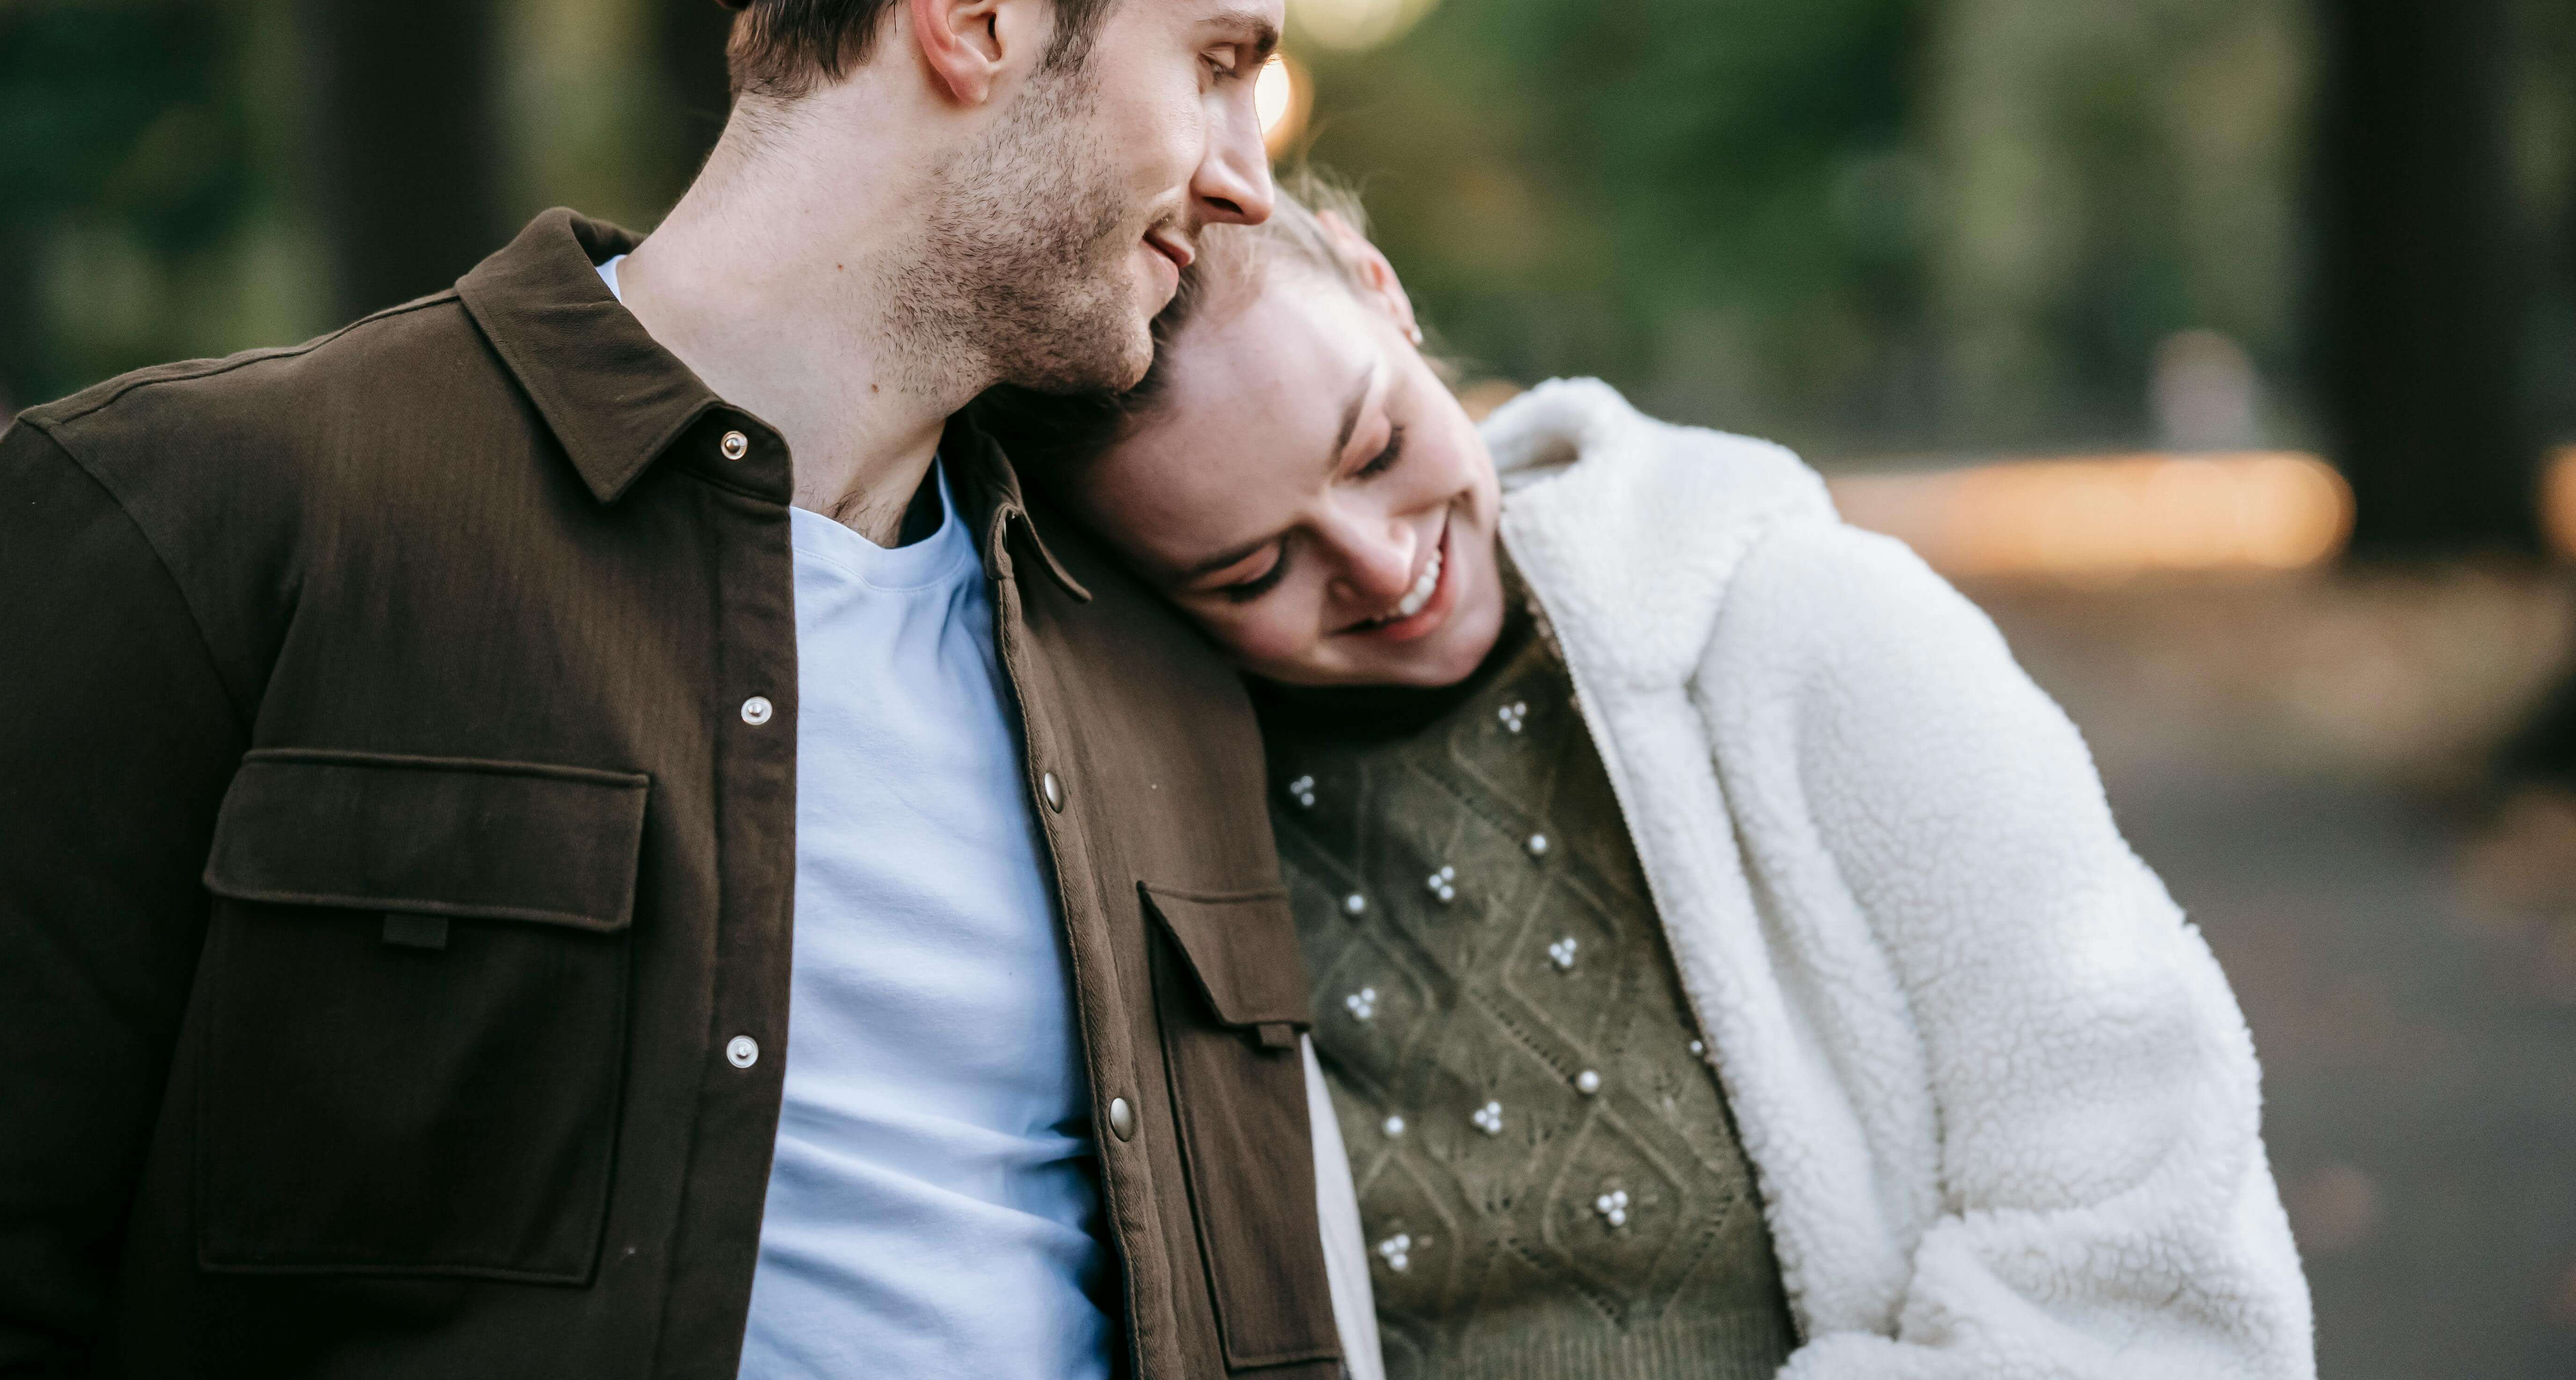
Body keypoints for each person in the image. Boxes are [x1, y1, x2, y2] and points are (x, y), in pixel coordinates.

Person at [0, 0, 1373, 1380]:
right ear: (979, 10)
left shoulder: (1153, 618)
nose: (1244, 176)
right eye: (1220, 61)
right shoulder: (195, 522)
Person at [989, 180, 2318, 1380]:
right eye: (1253, 570)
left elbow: (2149, 1244)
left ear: (1379, 289)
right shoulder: (1151, 828)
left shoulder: (1816, 636)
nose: (1384, 568)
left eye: (1377, 449)